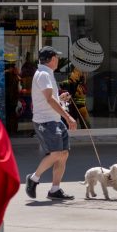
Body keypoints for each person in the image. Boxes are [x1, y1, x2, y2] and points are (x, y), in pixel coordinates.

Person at [25, 46, 77, 200]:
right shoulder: (43, 75)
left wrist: (60, 99)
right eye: (57, 57)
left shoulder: (47, 74)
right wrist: (68, 117)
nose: (58, 60)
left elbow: (48, 99)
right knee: (55, 154)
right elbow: (48, 99)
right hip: (46, 121)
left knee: (63, 154)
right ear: (52, 59)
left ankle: (55, 189)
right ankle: (33, 178)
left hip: (54, 119)